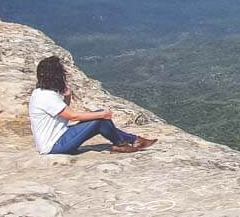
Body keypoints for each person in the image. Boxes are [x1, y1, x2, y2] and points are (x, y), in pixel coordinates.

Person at [29, 55, 157, 155]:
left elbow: (61, 114)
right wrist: (102, 114)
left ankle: (132, 140)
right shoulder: (46, 96)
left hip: (60, 137)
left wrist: (67, 97)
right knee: (99, 120)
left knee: (99, 117)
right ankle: (124, 143)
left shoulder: (41, 93)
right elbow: (72, 116)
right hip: (55, 145)